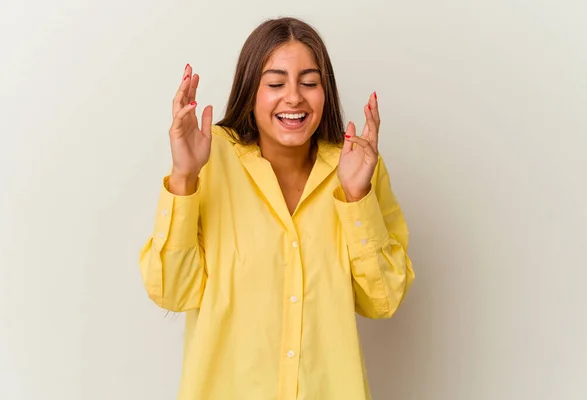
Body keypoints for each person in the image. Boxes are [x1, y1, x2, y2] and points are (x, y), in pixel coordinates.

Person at [139, 16, 415, 400]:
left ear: (325, 91)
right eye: (275, 83)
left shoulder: (357, 167)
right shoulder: (209, 159)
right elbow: (172, 291)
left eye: (309, 82)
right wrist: (184, 178)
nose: (294, 98)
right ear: (251, 90)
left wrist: (357, 197)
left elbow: (382, 299)